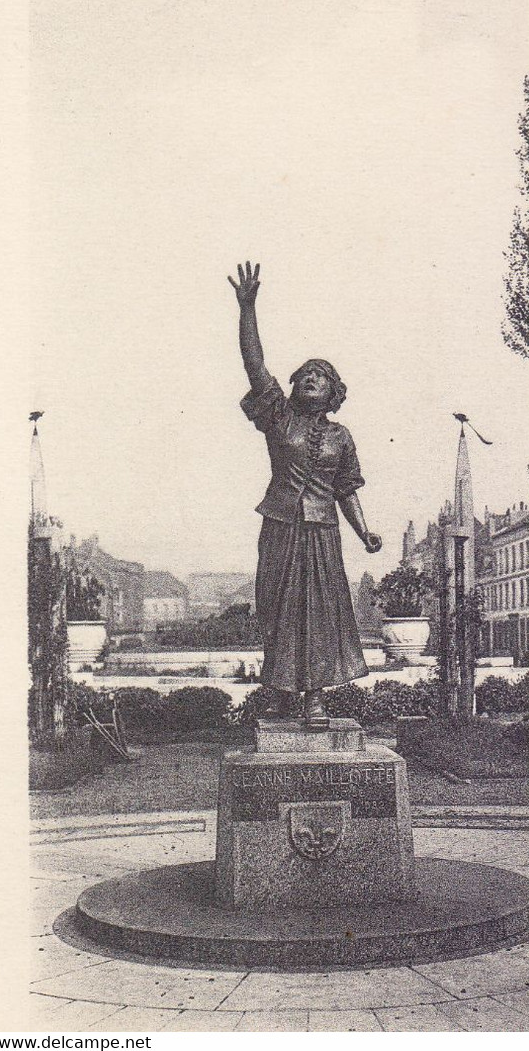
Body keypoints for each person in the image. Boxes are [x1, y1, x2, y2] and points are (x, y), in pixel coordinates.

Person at [230, 262, 383, 727]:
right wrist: (248, 308)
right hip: (280, 525)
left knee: (319, 610)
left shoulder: (341, 436)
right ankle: (279, 689)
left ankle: (314, 698)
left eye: (322, 375)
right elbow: (255, 364)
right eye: (305, 374)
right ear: (294, 387)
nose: (311, 378)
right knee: (277, 604)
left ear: (335, 392)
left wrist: (364, 532)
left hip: (322, 531)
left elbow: (347, 488)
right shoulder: (279, 418)